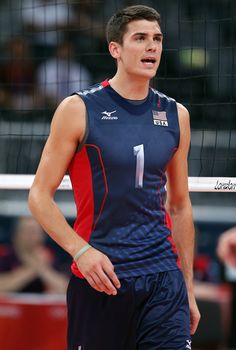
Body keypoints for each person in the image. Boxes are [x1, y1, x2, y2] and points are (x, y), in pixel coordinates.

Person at [28, 5, 200, 349]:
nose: (152, 47)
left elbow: (179, 206)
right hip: (102, 277)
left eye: (157, 39)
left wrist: (188, 288)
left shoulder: (175, 114)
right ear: (115, 49)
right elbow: (38, 197)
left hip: (163, 280)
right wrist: (81, 252)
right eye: (140, 38)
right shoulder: (78, 109)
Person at [0, 216, 68, 293]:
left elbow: (65, 288)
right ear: (16, 235)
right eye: (26, 232)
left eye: (34, 232)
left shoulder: (51, 256)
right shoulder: (5, 255)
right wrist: (31, 270)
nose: (30, 237)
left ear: (42, 236)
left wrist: (43, 269)